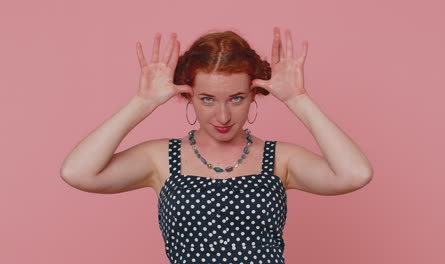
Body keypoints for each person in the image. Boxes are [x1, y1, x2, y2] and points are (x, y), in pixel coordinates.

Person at [60, 27, 373, 264]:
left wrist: (298, 100)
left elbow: (355, 174)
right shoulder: (161, 159)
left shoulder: (280, 159)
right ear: (188, 94)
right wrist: (141, 103)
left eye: (236, 98)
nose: (222, 116)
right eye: (207, 99)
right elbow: (78, 172)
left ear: (254, 94)